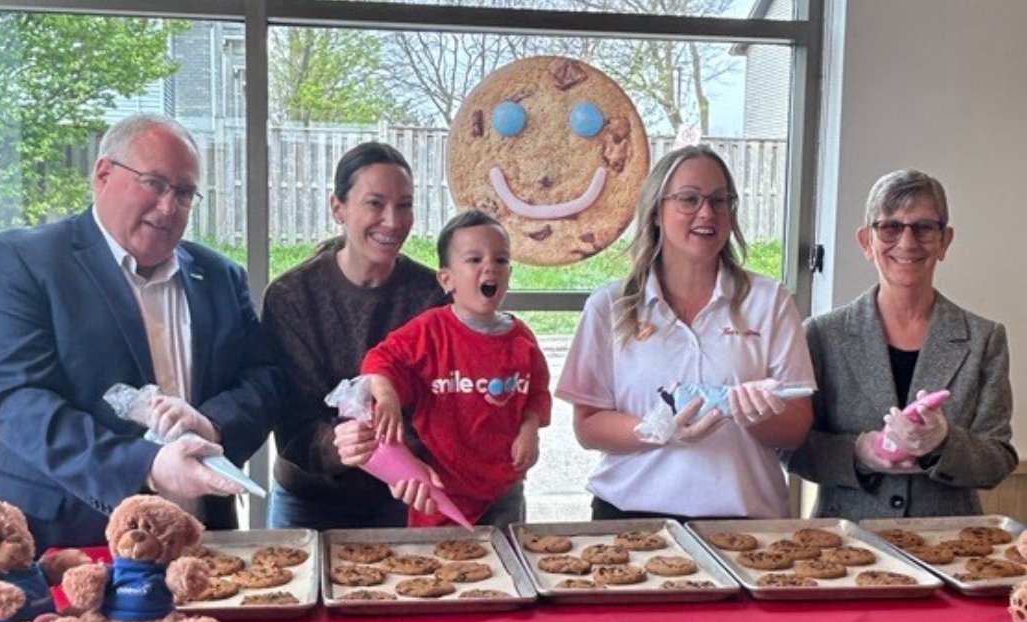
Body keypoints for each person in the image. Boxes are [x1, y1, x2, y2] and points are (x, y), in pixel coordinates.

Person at [0, 114, 281, 611]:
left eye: (186, 192)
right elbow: (20, 403)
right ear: (103, 174)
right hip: (64, 550)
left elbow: (264, 381)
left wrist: (212, 425)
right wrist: (146, 465)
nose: (169, 206)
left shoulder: (219, 275)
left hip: (196, 550)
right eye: (154, 183)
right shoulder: (19, 262)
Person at [555, 145, 814, 521]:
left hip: (745, 527)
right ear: (657, 211)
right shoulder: (610, 306)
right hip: (631, 520)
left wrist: (755, 416)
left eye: (719, 200)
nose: (707, 213)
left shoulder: (769, 301)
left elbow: (796, 430)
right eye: (689, 199)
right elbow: (589, 426)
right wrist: (661, 429)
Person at [785, 169, 1016, 519]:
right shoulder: (821, 334)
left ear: (944, 241)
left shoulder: (985, 338)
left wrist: (943, 443)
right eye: (890, 227)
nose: (907, 243)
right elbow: (792, 448)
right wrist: (859, 452)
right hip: (845, 550)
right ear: (867, 242)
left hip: (949, 551)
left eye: (923, 228)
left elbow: (998, 458)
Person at [261, 141, 448, 530]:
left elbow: (444, 406)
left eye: (405, 205)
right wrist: (337, 445)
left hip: (403, 497)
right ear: (338, 208)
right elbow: (290, 418)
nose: (393, 221)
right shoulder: (292, 296)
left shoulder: (433, 296)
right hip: (309, 500)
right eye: (375, 203)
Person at [359, 209, 551, 527]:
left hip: (504, 489)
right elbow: (379, 359)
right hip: (441, 491)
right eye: (474, 260)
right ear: (446, 279)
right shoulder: (430, 330)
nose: (489, 266)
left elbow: (536, 393)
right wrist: (387, 394)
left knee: (507, 565)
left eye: (500, 260)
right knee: (437, 570)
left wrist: (530, 429)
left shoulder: (521, 338)